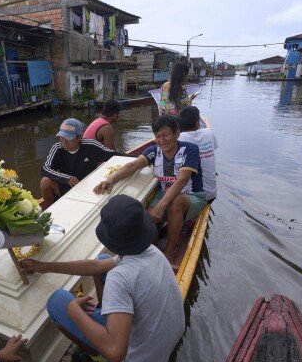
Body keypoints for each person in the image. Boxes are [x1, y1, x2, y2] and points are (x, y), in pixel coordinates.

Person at [21, 195, 184, 362]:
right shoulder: (151, 251)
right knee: (101, 260)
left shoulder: (120, 278)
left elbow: (116, 351)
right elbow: (96, 267)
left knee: (57, 302)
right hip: (165, 341)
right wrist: (45, 266)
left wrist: (74, 311)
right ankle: (108, 321)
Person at [94, 115, 206, 261]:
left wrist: (162, 204)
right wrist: (111, 179)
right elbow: (133, 165)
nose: (161, 140)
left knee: (176, 202)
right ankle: (150, 252)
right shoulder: (154, 150)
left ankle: (171, 250)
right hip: (164, 193)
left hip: (192, 195)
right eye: (158, 136)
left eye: (165, 135)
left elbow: (182, 179)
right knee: (147, 217)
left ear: (177, 133)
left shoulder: (190, 150)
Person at [41, 118, 120, 208]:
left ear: (79, 137)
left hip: (89, 188)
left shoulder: (91, 146)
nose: (64, 142)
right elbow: (44, 169)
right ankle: (51, 211)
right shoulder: (57, 148)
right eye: (61, 138)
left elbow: (113, 155)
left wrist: (139, 159)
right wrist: (67, 178)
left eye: (68, 139)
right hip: (67, 186)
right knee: (45, 182)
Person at [178, 106, 218, 202]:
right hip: (211, 194)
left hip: (191, 196)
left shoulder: (179, 139)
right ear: (197, 124)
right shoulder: (209, 133)